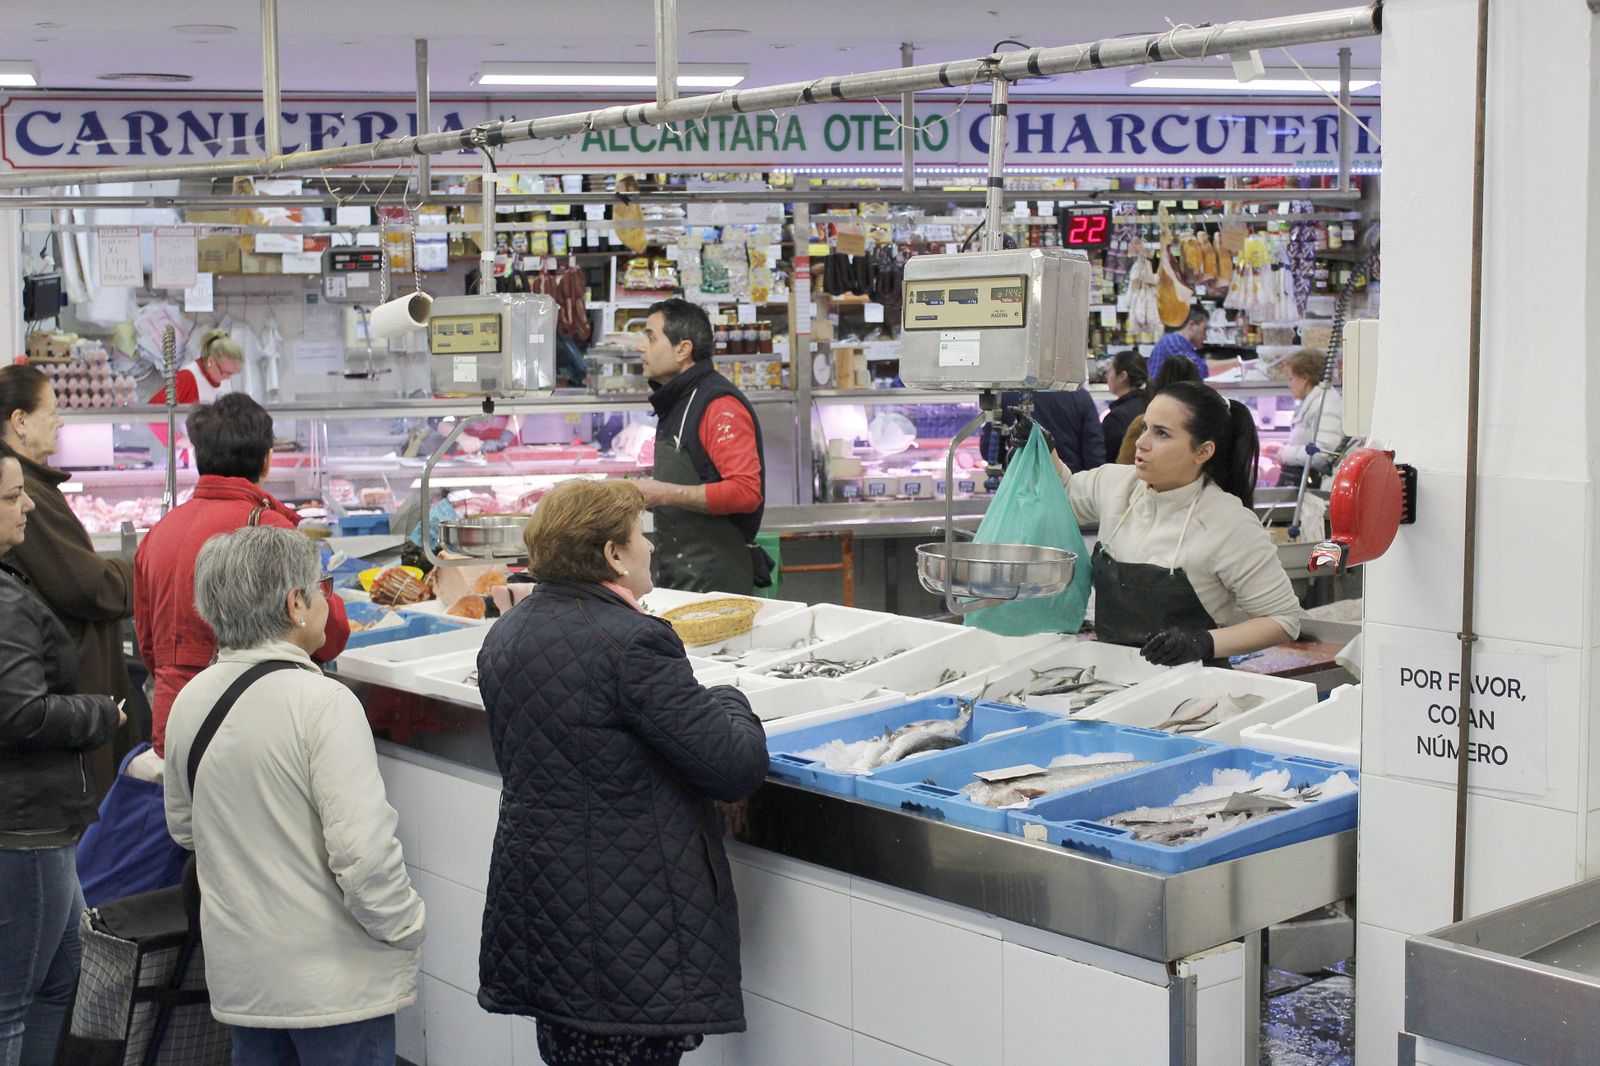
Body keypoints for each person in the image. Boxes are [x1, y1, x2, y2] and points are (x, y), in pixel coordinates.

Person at [476, 478, 768, 1066]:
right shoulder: (632, 644)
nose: (651, 548)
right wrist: (731, 697)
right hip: (627, 935)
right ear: (612, 553)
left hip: (545, 917)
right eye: (641, 536)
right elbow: (733, 768)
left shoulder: (508, 632)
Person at [164, 526, 423, 1065]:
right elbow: (362, 855)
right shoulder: (323, 703)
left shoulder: (192, 698)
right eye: (322, 588)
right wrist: (406, 926)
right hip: (333, 988)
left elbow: (185, 829)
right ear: (296, 604)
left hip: (243, 978)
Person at [135, 393, 350, 758]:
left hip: (175, 722)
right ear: (267, 460)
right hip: (249, 725)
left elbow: (148, 644)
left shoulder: (160, 531)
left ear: (201, 457)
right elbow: (328, 635)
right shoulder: (271, 531)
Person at [0, 454, 123, 1066]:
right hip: (25, 824)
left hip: (36, 817)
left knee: (59, 977)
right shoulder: (3, 605)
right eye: (12, 497)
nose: (27, 507)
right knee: (15, 1001)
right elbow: (19, 714)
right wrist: (100, 712)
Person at [1061, 380, 1302, 665]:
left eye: (1161, 434)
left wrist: (1204, 642)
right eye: (1144, 428)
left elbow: (1284, 620)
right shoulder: (1116, 484)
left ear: (1203, 451)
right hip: (1113, 677)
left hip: (1192, 690)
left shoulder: (1229, 523)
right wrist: (1040, 449)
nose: (1141, 443)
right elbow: (1061, 498)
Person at [0, 366, 135, 781]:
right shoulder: (31, 497)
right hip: (67, 707)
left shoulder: (33, 491)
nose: (60, 422)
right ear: (20, 421)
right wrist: (142, 568)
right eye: (53, 411)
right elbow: (92, 587)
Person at [631, 298, 766, 595]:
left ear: (683, 349)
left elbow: (746, 491)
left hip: (716, 582)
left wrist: (663, 492)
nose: (641, 347)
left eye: (651, 337)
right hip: (682, 575)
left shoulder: (718, 405)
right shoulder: (678, 400)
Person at [1273, 348, 1345, 487]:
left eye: (1291, 378)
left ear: (1305, 378)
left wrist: (1286, 454)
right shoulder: (1316, 401)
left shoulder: (1325, 403)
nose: (1290, 384)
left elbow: (1323, 453)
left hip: (1319, 487)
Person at [1115, 356, 1203, 464]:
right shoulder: (1211, 425)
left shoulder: (1141, 423)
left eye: (1161, 433)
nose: (1140, 443)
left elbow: (1125, 466)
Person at [147, 327, 242, 407]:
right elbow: (151, 415)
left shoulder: (222, 376)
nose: (228, 378)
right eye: (224, 372)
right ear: (210, 361)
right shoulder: (186, 378)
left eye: (232, 373)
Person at [1100, 351, 1149, 466]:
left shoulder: (1117, 417)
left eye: (1109, 372)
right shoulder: (1149, 403)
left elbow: (1107, 458)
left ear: (1122, 376)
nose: (1107, 376)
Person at [1146, 307, 1209, 380]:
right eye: (1204, 329)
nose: (1206, 337)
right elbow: (1200, 371)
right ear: (1192, 324)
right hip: (1160, 390)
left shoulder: (1180, 342)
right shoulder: (1173, 342)